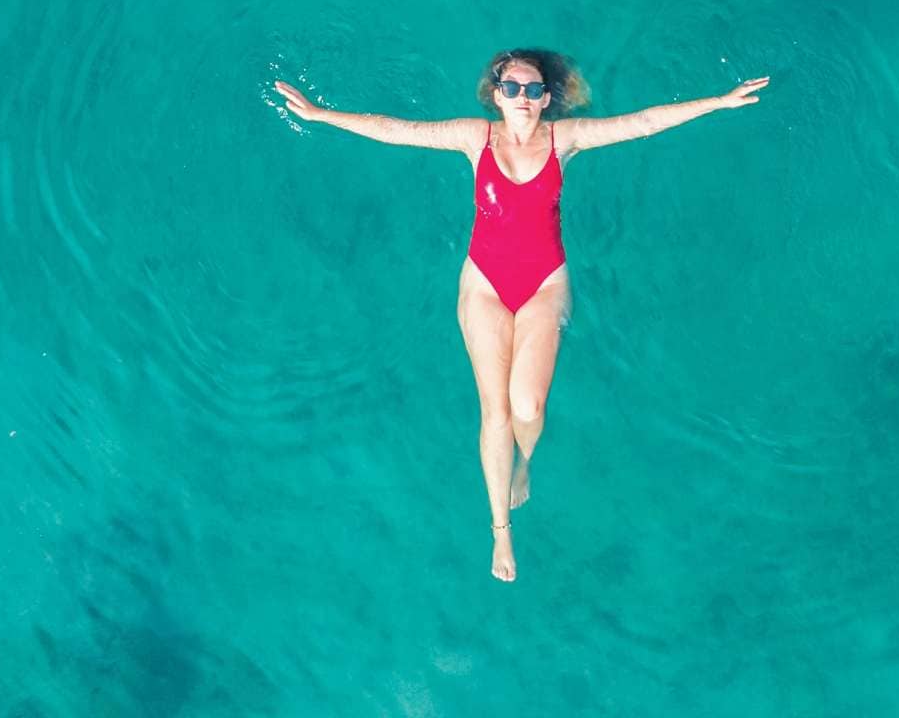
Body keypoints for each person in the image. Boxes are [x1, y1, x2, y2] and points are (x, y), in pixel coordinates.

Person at [274, 49, 768, 581]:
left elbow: (642, 123)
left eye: (534, 91)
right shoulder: (474, 137)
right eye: (512, 89)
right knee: (496, 412)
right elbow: (398, 129)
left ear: (547, 99)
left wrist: (718, 102)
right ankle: (500, 533)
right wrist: (323, 115)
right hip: (484, 283)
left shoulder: (565, 139)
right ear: (497, 94)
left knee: (527, 406)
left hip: (545, 284)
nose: (523, 99)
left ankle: (525, 464)